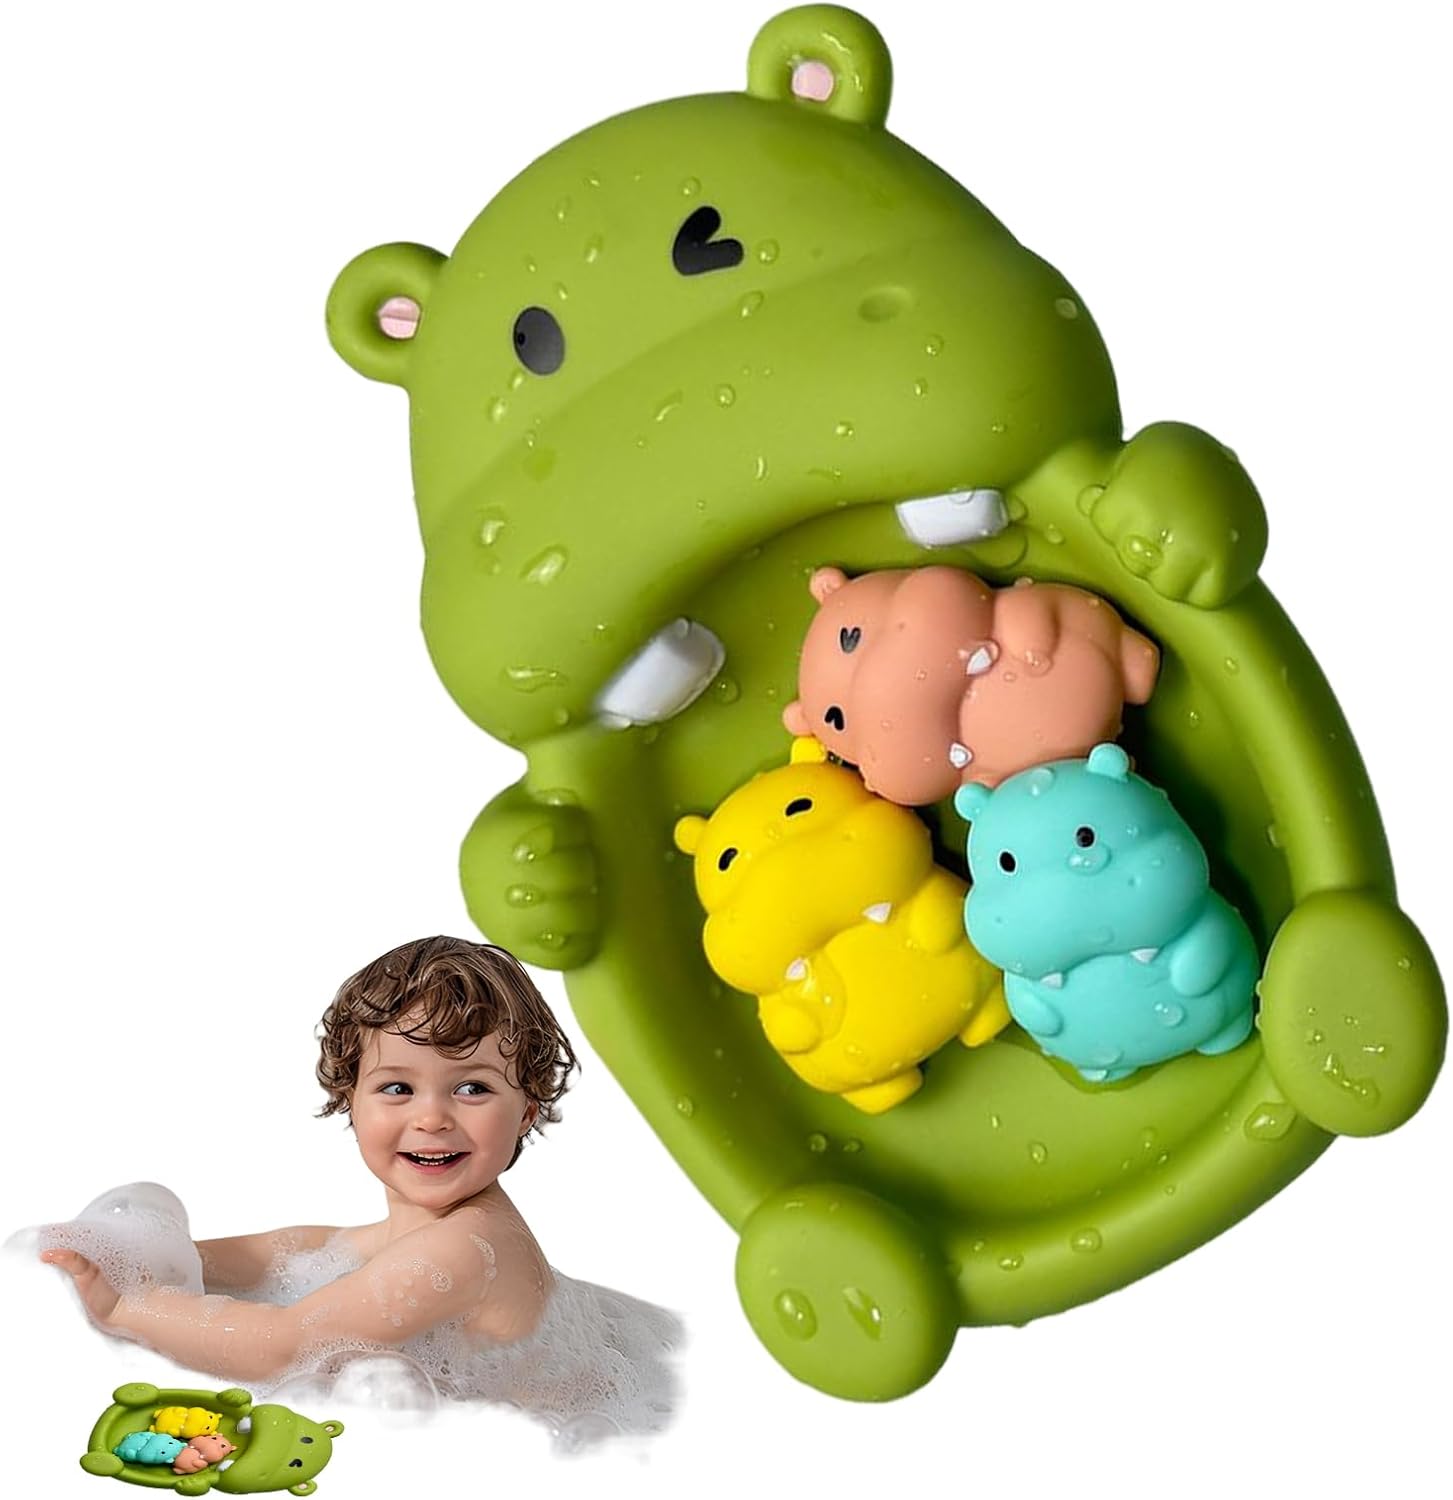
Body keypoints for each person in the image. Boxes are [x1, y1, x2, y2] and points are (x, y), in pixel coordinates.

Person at [40, 936, 580, 1382]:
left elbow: (284, 1347)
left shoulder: (465, 1247)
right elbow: (306, 1247)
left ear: (526, 1112)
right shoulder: (439, 1229)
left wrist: (124, 1309)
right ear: (351, 1100)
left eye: (472, 1089)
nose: (432, 1118)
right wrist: (168, 1255)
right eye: (398, 1088)